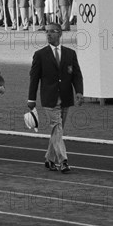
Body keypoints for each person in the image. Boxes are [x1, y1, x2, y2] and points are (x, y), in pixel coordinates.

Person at [28, 23, 83, 173]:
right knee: (57, 127)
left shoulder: (70, 54)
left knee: (57, 130)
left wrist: (79, 92)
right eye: (46, 32)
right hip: (49, 98)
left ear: (60, 33)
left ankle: (49, 159)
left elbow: (76, 75)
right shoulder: (40, 55)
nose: (48, 34)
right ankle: (63, 160)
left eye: (52, 31)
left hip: (65, 97)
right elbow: (34, 78)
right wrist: (31, 99)